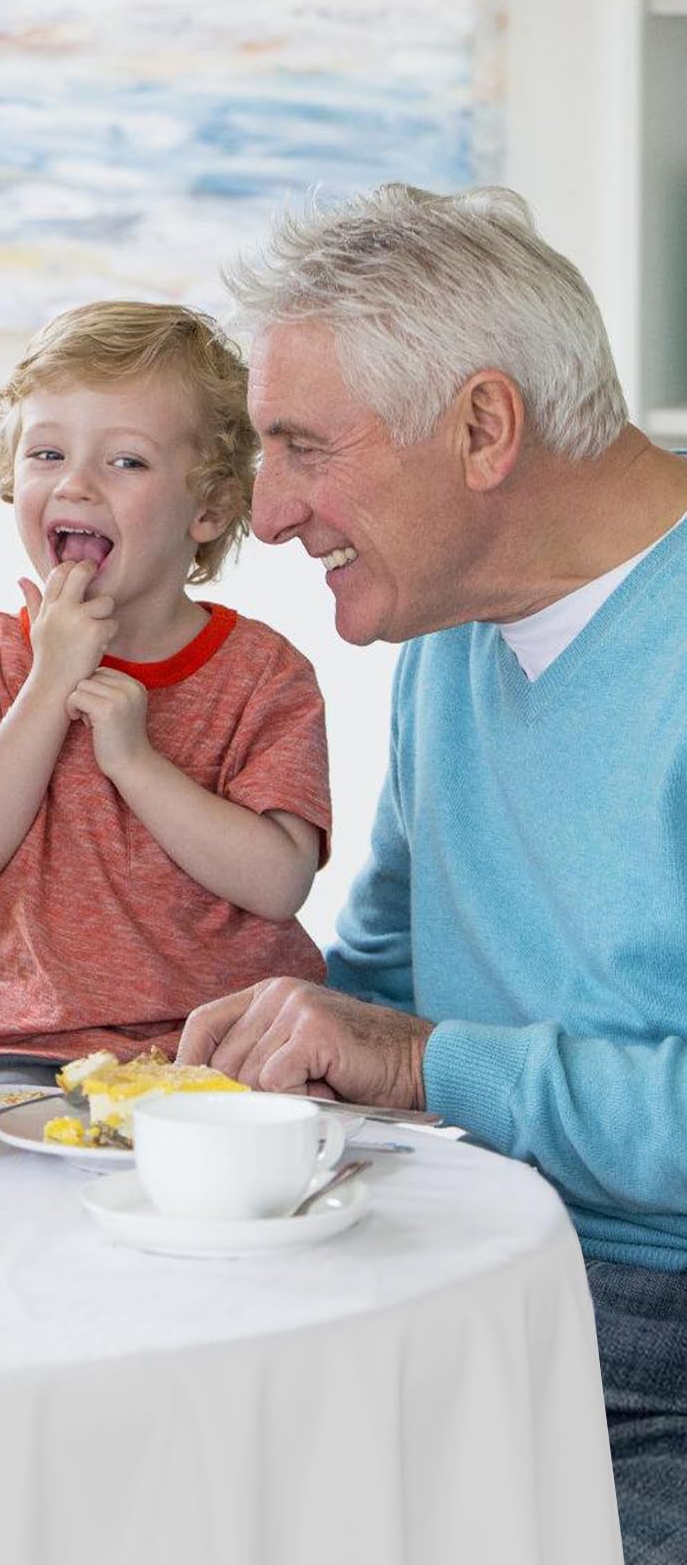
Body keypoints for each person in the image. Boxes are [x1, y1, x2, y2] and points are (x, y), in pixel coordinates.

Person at [177, 183, 687, 1563]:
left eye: (300, 449)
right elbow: (379, 986)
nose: (267, 513)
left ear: (482, 428)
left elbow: (407, 1047)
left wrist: (420, 1066)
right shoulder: (453, 638)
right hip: (472, 1272)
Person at [0, 301, 332, 1085]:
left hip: (228, 1048)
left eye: (126, 462)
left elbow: (280, 883)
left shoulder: (265, 677)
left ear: (206, 508)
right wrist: (49, 683)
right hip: (26, 1045)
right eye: (46, 454)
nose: (75, 483)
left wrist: (136, 760)